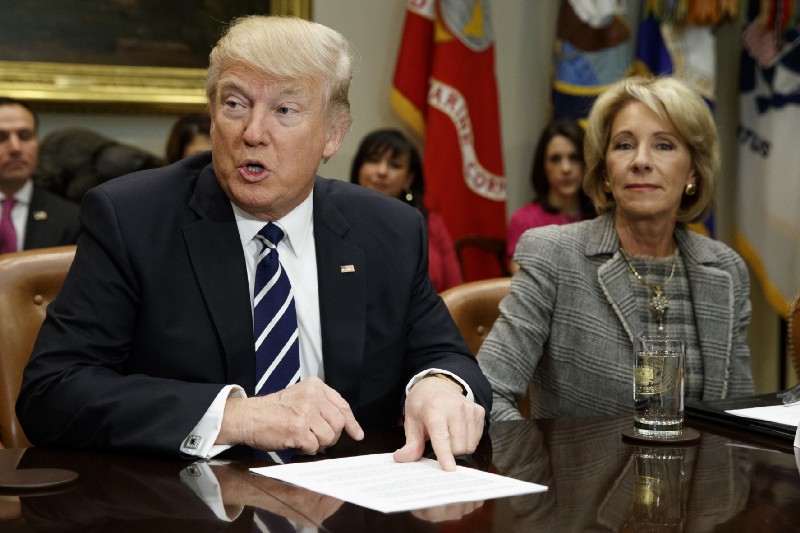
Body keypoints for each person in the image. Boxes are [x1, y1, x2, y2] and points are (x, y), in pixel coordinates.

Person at [16, 16, 489, 472]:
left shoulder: (388, 229)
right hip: (184, 503)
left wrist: (439, 386)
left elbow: (445, 356)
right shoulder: (131, 218)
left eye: (285, 111)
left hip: (348, 500)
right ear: (212, 114)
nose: (253, 133)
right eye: (235, 104)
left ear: (333, 134)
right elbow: (52, 393)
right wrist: (237, 417)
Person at [478, 76, 754, 420]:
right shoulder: (554, 254)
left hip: (702, 458)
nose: (641, 161)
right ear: (606, 172)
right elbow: (487, 392)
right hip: (576, 458)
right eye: (624, 145)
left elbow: (743, 417)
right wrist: (534, 456)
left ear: (693, 173)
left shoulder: (726, 270)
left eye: (664, 146)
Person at [350, 129, 463, 292]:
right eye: (374, 161)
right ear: (359, 168)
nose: (382, 171)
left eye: (395, 165)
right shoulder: (337, 218)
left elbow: (456, 290)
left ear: (408, 179)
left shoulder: (430, 222)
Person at [0, 97, 81, 254]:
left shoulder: (70, 218)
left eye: (25, 136)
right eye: (1, 137)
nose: (15, 148)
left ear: (37, 142)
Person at [506, 118, 593, 261]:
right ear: (543, 166)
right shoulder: (524, 220)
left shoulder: (603, 217)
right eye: (555, 159)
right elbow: (521, 273)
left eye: (574, 158)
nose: (566, 168)